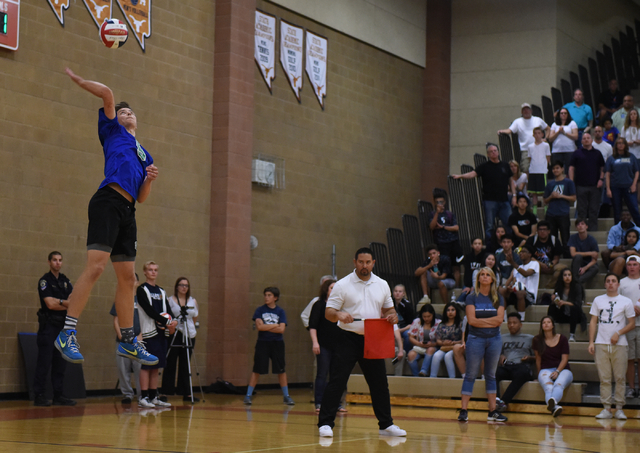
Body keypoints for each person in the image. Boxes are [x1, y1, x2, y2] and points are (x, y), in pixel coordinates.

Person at [54, 68, 159, 367]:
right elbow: (107, 94)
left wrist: (149, 180)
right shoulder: (112, 131)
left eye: (130, 112)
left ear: (137, 120)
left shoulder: (145, 154)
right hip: (107, 202)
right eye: (122, 111)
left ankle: (129, 341)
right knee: (97, 267)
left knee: (129, 278)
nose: (126, 113)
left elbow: (141, 196)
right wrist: (80, 81)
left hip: (128, 210)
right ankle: (67, 333)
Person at [318, 248, 406, 438]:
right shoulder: (342, 285)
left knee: (380, 384)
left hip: (373, 339)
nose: (364, 266)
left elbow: (390, 310)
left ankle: (386, 425)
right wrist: (339, 314)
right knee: (337, 381)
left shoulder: (382, 284)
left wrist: (393, 317)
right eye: (361, 262)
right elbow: (329, 313)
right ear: (354, 262)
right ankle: (325, 423)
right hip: (347, 339)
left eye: (368, 262)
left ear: (373, 262)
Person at [457, 267, 506, 423]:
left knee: (491, 375)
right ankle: (464, 410)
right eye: (482, 275)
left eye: (488, 275)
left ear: (492, 279)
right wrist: (489, 322)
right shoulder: (471, 297)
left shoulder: (498, 298)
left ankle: (493, 411)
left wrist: (481, 322)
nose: (485, 277)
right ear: (478, 279)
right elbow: (471, 321)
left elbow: (499, 321)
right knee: (471, 374)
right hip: (475, 339)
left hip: (494, 339)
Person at [589, 273, 636, 420]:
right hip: (601, 343)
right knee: (604, 378)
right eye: (608, 281)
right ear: (605, 284)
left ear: (618, 284)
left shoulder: (626, 301)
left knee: (620, 377)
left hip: (620, 344)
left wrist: (618, 333)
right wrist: (591, 341)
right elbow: (593, 321)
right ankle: (606, 409)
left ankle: (620, 408)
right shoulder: (598, 300)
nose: (611, 283)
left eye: (613, 281)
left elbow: (632, 323)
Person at [452, 143, 517, 246]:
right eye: (491, 151)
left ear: (498, 152)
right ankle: (490, 246)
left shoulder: (505, 165)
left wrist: (514, 196)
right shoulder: (484, 166)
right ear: (488, 154)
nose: (493, 152)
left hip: (504, 200)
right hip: (489, 200)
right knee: (490, 226)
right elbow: (473, 174)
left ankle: (510, 245)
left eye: (495, 150)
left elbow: (511, 181)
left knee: (509, 223)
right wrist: (461, 176)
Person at [34, 251, 76, 407]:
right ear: (49, 262)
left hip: (62, 326)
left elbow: (74, 301)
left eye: (60, 260)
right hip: (48, 326)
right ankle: (39, 395)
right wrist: (64, 302)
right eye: (54, 260)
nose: (58, 263)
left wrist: (60, 302)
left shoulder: (65, 281)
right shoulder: (45, 281)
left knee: (60, 362)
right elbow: (50, 304)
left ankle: (58, 395)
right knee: (44, 362)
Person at [244, 287, 295, 406]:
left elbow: (282, 329)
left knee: (281, 370)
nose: (266, 297)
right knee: (257, 369)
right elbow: (260, 327)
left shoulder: (280, 311)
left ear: (275, 298)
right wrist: (275, 325)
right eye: (265, 295)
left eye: (269, 295)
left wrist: (268, 326)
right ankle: (248, 395)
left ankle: (286, 396)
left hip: (277, 344)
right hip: (263, 342)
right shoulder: (259, 310)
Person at [136, 261, 176, 409]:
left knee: (156, 366)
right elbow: (149, 310)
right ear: (145, 272)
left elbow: (169, 311)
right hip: (148, 332)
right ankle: (143, 397)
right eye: (150, 270)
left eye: (155, 270)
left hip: (161, 332)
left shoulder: (161, 291)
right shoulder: (141, 290)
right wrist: (166, 321)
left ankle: (153, 396)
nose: (153, 272)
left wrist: (173, 321)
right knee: (147, 365)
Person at [309, 278, 347, 412]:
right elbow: (312, 326)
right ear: (326, 290)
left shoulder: (342, 307)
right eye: (332, 288)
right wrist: (315, 342)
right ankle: (319, 403)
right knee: (322, 374)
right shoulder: (318, 305)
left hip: (339, 346)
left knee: (337, 375)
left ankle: (337, 403)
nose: (334, 291)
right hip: (323, 345)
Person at [163, 277, 199, 402]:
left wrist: (191, 328)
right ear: (177, 286)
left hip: (189, 334)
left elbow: (194, 317)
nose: (184, 287)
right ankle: (166, 392)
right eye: (181, 285)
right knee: (170, 362)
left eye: (186, 285)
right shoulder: (170, 300)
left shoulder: (192, 301)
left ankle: (186, 393)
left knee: (185, 364)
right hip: (175, 333)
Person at [110, 273, 142, 405]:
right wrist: (120, 335)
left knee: (140, 369)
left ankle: (142, 395)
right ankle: (127, 394)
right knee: (123, 369)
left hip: (139, 341)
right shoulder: (120, 298)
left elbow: (147, 320)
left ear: (138, 283)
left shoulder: (142, 300)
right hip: (123, 341)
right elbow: (116, 319)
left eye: (134, 280)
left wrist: (141, 335)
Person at [533, 316, 573, 417]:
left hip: (563, 369)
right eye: (544, 322)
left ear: (553, 325)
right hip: (545, 369)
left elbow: (565, 358)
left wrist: (558, 371)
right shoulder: (537, 340)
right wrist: (539, 375)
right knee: (548, 387)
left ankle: (553, 403)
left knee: (559, 384)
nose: (546, 324)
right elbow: (538, 359)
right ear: (541, 326)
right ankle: (554, 407)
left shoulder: (562, 338)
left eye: (548, 322)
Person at [495, 313, 534, 412]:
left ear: (520, 324)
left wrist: (529, 358)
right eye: (509, 323)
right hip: (507, 366)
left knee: (522, 373)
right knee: (493, 374)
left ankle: (503, 402)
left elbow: (537, 357)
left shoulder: (529, 338)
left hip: (521, 366)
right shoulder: (502, 338)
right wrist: (500, 356)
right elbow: (495, 353)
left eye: (514, 323)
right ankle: (496, 399)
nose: (511, 325)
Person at [497, 103, 549, 173]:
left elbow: (548, 128)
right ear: (521, 112)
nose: (526, 111)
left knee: (540, 167)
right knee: (526, 168)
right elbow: (510, 130)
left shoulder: (538, 120)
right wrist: (502, 131)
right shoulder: (517, 121)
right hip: (526, 149)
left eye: (527, 109)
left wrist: (546, 138)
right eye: (524, 110)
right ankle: (528, 183)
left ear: (531, 111)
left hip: (539, 147)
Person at [569, 132, 605, 232]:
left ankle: (593, 231)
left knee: (594, 210)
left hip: (595, 186)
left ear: (592, 140)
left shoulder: (597, 153)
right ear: (581, 141)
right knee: (581, 210)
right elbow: (571, 168)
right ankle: (582, 230)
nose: (586, 140)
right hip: (580, 186)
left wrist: (601, 179)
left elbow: (603, 168)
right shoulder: (577, 153)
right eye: (584, 138)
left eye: (588, 138)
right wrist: (571, 182)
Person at [544, 161, 576, 258]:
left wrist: (561, 196)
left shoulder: (568, 182)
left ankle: (567, 256)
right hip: (551, 214)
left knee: (565, 237)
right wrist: (551, 197)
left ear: (562, 169)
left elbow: (573, 198)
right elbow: (545, 200)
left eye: (557, 168)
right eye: (553, 169)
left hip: (563, 213)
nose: (555, 170)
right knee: (552, 237)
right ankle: (553, 255)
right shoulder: (550, 184)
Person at [429, 193, 463, 284]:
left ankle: (457, 286)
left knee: (456, 266)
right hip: (441, 243)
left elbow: (456, 227)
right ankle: (445, 283)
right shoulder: (432, 214)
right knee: (444, 264)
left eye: (441, 202)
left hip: (453, 242)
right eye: (437, 202)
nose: (440, 204)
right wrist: (437, 213)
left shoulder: (450, 214)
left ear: (444, 202)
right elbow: (431, 227)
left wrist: (443, 227)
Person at [618, 256, 640, 399]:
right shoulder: (622, 283)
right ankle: (631, 388)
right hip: (629, 326)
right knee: (630, 359)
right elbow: (618, 302)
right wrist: (630, 309)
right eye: (630, 264)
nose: (632, 267)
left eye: (635, 264)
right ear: (626, 267)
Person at [605, 137, 640, 225]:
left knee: (634, 209)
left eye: (622, 143)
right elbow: (608, 174)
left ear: (625, 145)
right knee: (617, 211)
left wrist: (634, 185)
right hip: (615, 187)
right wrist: (608, 189)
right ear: (616, 145)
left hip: (629, 186)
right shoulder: (611, 158)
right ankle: (618, 231)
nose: (620, 145)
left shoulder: (631, 156)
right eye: (618, 143)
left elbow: (637, 171)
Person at [501, 244, 540, 321]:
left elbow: (526, 274)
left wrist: (512, 262)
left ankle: (521, 320)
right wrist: (509, 288)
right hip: (517, 293)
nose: (521, 253)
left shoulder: (534, 264)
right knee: (501, 291)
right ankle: (503, 319)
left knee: (520, 292)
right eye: (520, 252)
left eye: (524, 252)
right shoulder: (517, 268)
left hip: (529, 295)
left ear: (530, 254)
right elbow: (515, 283)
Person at [547, 269, 585, 342]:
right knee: (551, 307)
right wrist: (554, 300)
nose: (567, 277)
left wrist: (565, 302)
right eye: (565, 275)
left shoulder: (577, 287)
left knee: (573, 308)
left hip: (575, 315)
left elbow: (578, 304)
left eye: (569, 275)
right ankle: (549, 331)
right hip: (563, 313)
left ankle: (571, 335)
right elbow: (558, 304)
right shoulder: (559, 287)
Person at [430, 302, 463, 378]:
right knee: (436, 356)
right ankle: (432, 378)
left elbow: (463, 339)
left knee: (447, 356)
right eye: (448, 310)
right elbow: (438, 340)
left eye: (452, 310)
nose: (450, 312)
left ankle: (452, 379)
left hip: (456, 347)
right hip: (444, 346)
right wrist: (443, 342)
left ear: (456, 311)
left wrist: (453, 343)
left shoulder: (460, 324)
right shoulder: (441, 325)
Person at [406, 304, 440, 377]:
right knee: (410, 355)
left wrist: (432, 344)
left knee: (430, 349)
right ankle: (416, 376)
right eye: (424, 316)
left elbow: (441, 340)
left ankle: (423, 371)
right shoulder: (417, 321)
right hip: (420, 346)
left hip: (433, 346)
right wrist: (418, 343)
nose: (426, 319)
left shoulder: (438, 323)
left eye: (428, 316)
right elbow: (411, 337)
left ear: (433, 315)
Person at [568, 218, 600, 285]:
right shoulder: (573, 238)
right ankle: (576, 279)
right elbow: (573, 254)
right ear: (576, 228)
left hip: (588, 264)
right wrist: (590, 253)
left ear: (586, 226)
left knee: (595, 268)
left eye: (582, 224)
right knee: (578, 257)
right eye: (578, 224)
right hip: (578, 263)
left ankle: (577, 282)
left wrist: (585, 268)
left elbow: (595, 258)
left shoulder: (592, 240)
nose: (580, 226)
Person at [527, 128, 551, 214]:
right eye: (535, 133)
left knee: (544, 192)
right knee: (534, 193)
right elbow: (530, 158)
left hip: (542, 171)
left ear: (542, 134)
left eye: (539, 133)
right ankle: (534, 211)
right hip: (533, 171)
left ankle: (545, 210)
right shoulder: (530, 146)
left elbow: (548, 158)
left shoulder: (546, 145)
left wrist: (544, 167)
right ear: (533, 135)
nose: (537, 135)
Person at [457, 238, 485, 304]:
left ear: (482, 245)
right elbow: (467, 273)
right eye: (475, 244)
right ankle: (457, 304)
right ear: (472, 245)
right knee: (464, 293)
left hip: (480, 282)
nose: (477, 245)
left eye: (479, 244)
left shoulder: (485, 257)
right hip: (469, 283)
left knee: (472, 293)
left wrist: (474, 285)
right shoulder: (468, 257)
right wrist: (469, 286)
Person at [392, 284, 414, 353]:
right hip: (392, 327)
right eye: (396, 291)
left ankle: (405, 353)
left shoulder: (407, 306)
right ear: (393, 293)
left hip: (404, 328)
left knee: (408, 335)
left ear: (403, 294)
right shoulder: (390, 303)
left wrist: (400, 330)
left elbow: (411, 324)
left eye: (400, 291)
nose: (397, 293)